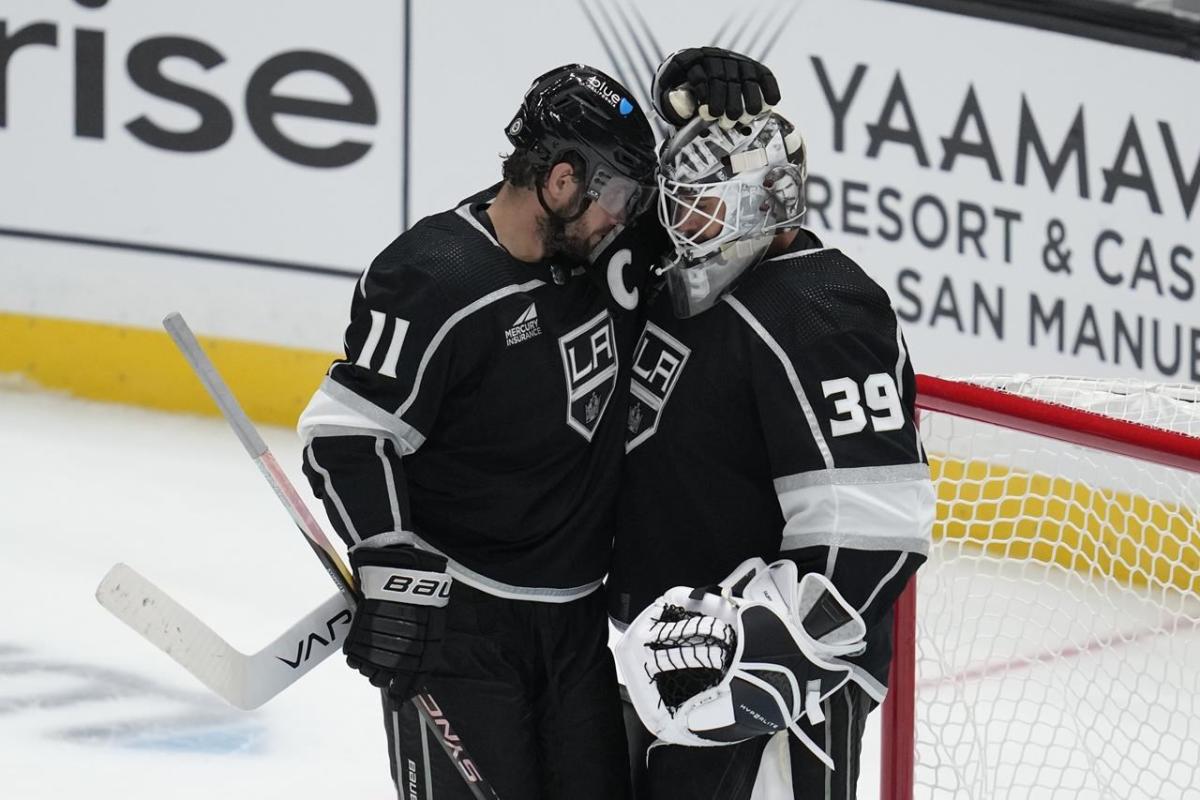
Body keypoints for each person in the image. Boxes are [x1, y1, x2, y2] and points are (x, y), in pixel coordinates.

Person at [296, 53, 781, 800]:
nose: (630, 215)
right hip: (462, 632)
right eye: (615, 194)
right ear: (559, 180)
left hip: (577, 629)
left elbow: (727, 204)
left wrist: (695, 87)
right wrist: (388, 560)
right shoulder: (437, 277)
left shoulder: (607, 242)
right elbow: (347, 433)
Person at [610, 110, 936, 800]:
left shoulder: (820, 310)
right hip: (666, 661)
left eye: (701, 205)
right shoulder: (690, 284)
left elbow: (873, 534)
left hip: (769, 693)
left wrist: (764, 660)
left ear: (767, 201)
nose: (679, 223)